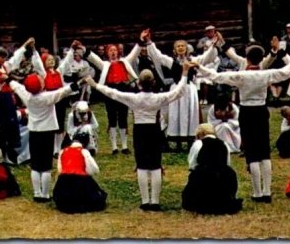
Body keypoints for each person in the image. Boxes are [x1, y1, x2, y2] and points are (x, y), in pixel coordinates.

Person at [194, 45, 290, 203]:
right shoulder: (266, 74)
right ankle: (266, 191)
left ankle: (257, 192)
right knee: (264, 151)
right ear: (261, 59)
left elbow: (216, 76)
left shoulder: (242, 75)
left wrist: (198, 66)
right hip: (261, 110)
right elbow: (288, 70)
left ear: (246, 58)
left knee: (252, 152)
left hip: (247, 112)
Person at [84, 62, 192, 211]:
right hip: (154, 131)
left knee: (142, 165)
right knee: (155, 165)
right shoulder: (158, 98)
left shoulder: (133, 98)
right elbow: (178, 91)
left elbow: (112, 93)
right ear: (153, 83)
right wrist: (184, 73)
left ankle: (145, 200)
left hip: (140, 131)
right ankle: (154, 201)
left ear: (139, 84)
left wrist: (94, 84)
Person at [143, 29, 219, 150]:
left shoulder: (193, 61)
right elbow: (157, 56)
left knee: (191, 113)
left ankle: (190, 141)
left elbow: (207, 57)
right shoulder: (171, 61)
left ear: (187, 48)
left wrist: (214, 45)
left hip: (189, 89)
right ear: (174, 49)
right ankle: (177, 142)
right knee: (176, 115)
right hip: (177, 89)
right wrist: (149, 41)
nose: (180, 48)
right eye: (178, 46)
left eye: (182, 46)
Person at [9, 73, 78, 202]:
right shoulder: (47, 97)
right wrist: (78, 84)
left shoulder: (27, 96)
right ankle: (45, 194)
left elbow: (17, 87)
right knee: (46, 164)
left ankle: (37, 192)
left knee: (35, 164)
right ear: (40, 85)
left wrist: (9, 80)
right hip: (47, 132)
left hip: (34, 131)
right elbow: (63, 92)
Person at [78, 38, 138, 155]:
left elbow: (135, 52)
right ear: (107, 53)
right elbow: (93, 58)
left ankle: (124, 146)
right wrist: (83, 48)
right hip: (109, 90)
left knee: (123, 117)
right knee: (112, 118)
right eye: (110, 50)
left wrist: (140, 42)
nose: (113, 52)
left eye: (115, 50)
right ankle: (114, 146)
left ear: (118, 52)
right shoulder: (104, 64)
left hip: (122, 89)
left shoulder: (124, 61)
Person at [182, 123, 242, 215]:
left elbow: (192, 164)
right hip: (222, 177)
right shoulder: (224, 143)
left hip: (204, 177)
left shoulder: (198, 143)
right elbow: (227, 163)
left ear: (200, 134)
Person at [52, 130, 108, 213]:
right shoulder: (83, 151)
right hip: (80, 181)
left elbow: (60, 169)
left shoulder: (63, 151)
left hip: (64, 182)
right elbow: (94, 169)